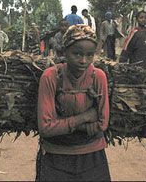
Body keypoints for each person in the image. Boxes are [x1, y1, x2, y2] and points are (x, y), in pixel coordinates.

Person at [36, 24, 111, 181]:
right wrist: (84, 117)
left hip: (93, 157)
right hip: (55, 157)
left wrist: (61, 125)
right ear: (64, 51)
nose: (84, 61)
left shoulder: (98, 77)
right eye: (77, 54)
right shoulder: (51, 77)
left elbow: (102, 125)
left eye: (90, 55)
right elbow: (45, 128)